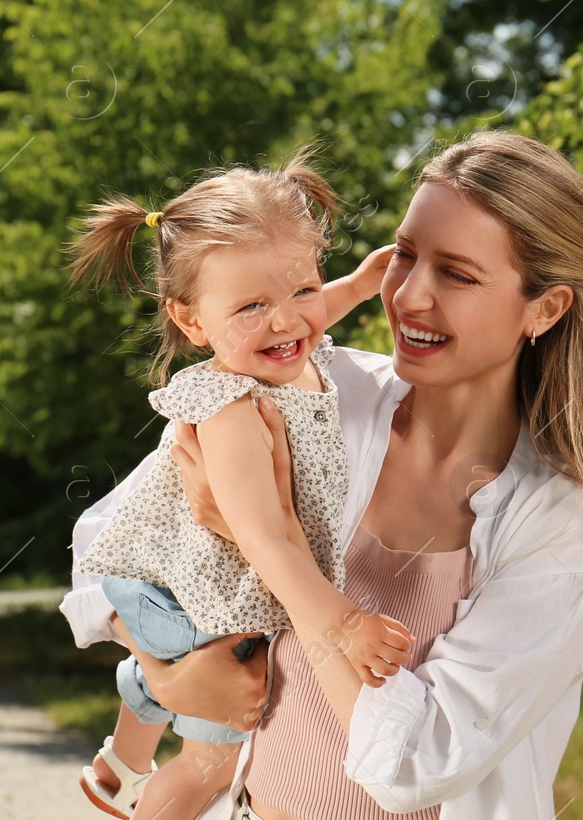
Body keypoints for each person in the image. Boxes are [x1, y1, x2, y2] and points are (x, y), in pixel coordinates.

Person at [63, 130, 583, 819]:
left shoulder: (563, 525)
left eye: (457, 274)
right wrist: (167, 677)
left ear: (545, 308)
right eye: (405, 256)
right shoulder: (312, 392)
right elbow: (105, 543)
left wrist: (284, 546)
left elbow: (412, 765)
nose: (410, 297)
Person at [65, 147, 413, 820]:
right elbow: (261, 536)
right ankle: (139, 771)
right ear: (192, 322)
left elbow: (309, 311)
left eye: (303, 288)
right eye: (251, 306)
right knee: (207, 768)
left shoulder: (293, 349)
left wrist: (365, 281)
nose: (287, 322)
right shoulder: (232, 410)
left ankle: (124, 747)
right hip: (185, 597)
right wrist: (345, 624)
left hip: (202, 597)